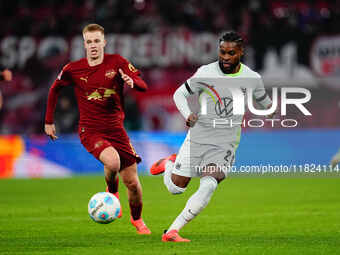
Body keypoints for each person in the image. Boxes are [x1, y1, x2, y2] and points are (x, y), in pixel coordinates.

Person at [150, 31, 274, 242]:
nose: (225, 57)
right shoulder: (205, 73)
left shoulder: (252, 78)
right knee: (175, 189)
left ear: (241, 52)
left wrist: (270, 110)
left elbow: (264, 102)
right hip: (197, 138)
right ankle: (168, 164)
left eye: (231, 53)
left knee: (209, 184)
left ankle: (172, 231)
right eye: (222, 52)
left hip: (224, 145)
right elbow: (179, 94)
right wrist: (187, 114)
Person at [44, 24, 151, 235]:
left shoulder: (117, 62)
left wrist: (133, 82)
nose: (93, 45)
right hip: (90, 130)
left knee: (133, 183)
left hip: (116, 130)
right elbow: (54, 89)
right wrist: (49, 121)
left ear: (104, 42)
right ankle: (112, 191)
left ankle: (137, 220)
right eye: (89, 42)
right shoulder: (73, 69)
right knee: (112, 162)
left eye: (96, 41)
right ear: (84, 44)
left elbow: (142, 85)